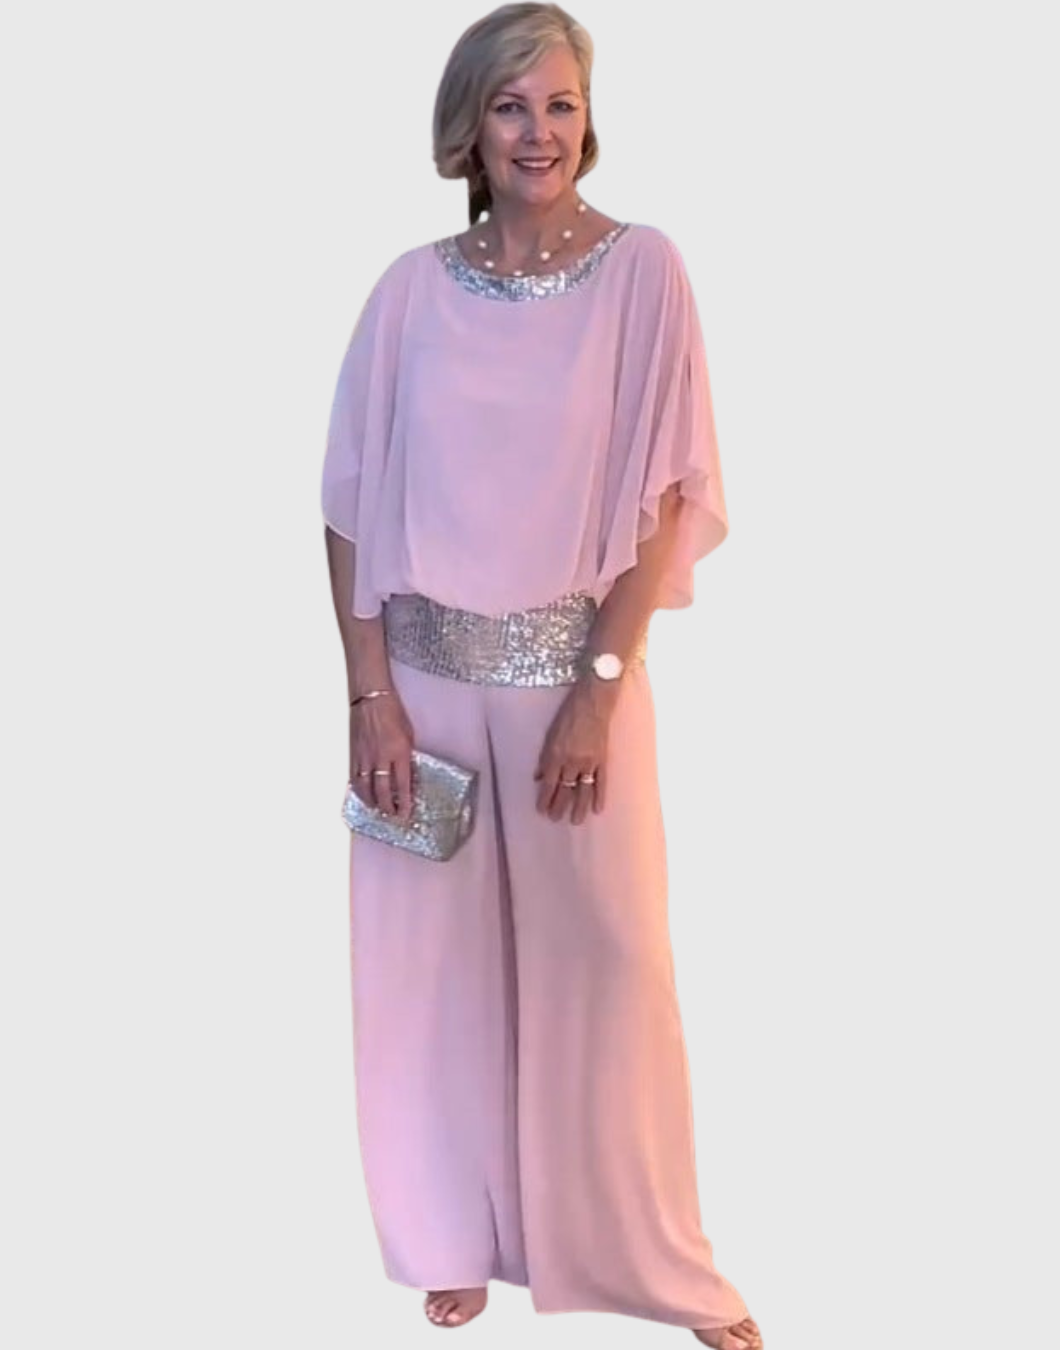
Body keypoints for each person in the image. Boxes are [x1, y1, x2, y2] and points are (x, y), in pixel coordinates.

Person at [320, 6, 763, 1349]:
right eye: (511, 107)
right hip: (422, 686)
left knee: (610, 968)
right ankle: (452, 1234)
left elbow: (666, 500)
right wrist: (369, 696)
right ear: (469, 127)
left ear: (588, 119)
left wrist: (600, 688)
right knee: (431, 980)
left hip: (572, 684)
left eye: (560, 104)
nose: (539, 133)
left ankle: (657, 1264)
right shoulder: (408, 292)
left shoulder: (643, 274)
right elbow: (348, 505)